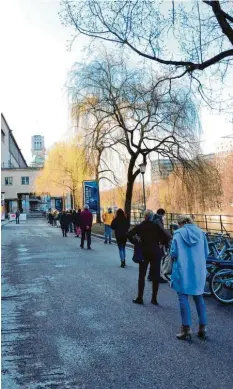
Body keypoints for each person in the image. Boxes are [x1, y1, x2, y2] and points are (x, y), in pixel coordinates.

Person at [170, 215, 209, 341]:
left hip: (183, 269)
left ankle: (186, 328)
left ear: (180, 223)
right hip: (198, 270)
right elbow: (206, 252)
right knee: (199, 297)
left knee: (183, 297)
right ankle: (202, 327)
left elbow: (174, 253)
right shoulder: (201, 233)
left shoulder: (178, 234)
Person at [127, 210, 171, 305]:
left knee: (142, 275)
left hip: (143, 252)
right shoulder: (156, 226)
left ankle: (140, 297)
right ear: (152, 217)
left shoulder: (140, 226)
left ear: (144, 217)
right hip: (155, 252)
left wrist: (136, 242)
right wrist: (161, 243)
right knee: (155, 276)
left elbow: (129, 234)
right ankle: (154, 299)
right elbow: (167, 236)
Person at [148, 208, 167, 282]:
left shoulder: (153, 219)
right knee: (158, 260)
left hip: (152, 242)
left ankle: (150, 275)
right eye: (163, 215)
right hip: (157, 243)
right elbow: (162, 231)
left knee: (153, 260)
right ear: (162, 214)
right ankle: (157, 276)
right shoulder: (158, 220)